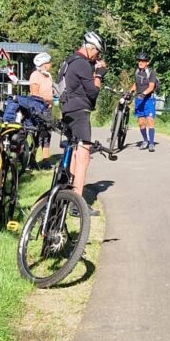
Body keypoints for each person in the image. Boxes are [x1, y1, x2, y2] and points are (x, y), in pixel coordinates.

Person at [58, 31, 106, 210]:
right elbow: (93, 92)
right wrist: (99, 74)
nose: (97, 56)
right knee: (84, 155)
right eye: (97, 53)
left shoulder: (68, 62)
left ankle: (68, 195)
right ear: (91, 48)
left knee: (74, 152)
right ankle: (77, 203)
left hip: (67, 110)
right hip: (80, 112)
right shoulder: (82, 64)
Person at [130, 51, 158, 152]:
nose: (140, 62)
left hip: (149, 99)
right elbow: (135, 84)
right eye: (139, 60)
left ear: (147, 62)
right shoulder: (137, 72)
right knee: (141, 122)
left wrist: (144, 93)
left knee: (150, 120)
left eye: (143, 61)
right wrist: (130, 92)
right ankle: (145, 140)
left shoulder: (151, 73)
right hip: (139, 99)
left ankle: (151, 143)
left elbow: (151, 86)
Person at [29, 52, 54, 165]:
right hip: (38, 109)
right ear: (44, 64)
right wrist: (50, 98)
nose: (51, 64)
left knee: (47, 134)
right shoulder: (35, 75)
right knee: (38, 135)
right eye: (49, 62)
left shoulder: (48, 76)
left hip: (48, 109)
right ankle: (31, 159)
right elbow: (35, 95)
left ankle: (46, 160)